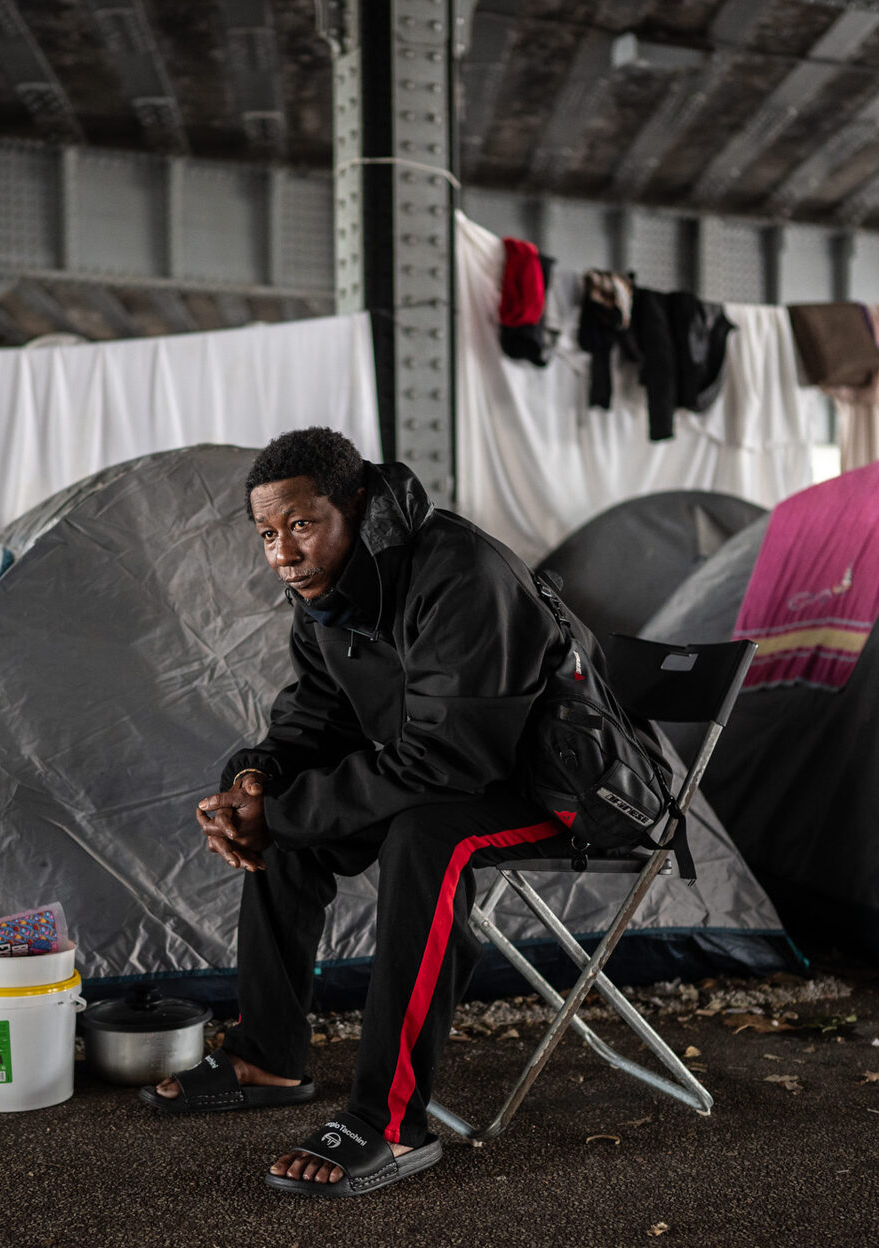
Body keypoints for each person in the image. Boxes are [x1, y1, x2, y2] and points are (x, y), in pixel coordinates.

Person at [145, 427, 580, 1198]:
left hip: (557, 787)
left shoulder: (459, 573)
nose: (282, 551)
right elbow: (313, 720)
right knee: (289, 829)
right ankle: (267, 1057)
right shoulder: (326, 595)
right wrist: (253, 783)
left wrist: (281, 810)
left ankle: (390, 1123)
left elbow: (452, 759)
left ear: (355, 504)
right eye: (267, 533)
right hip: (453, 772)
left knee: (423, 839)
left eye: (302, 525)